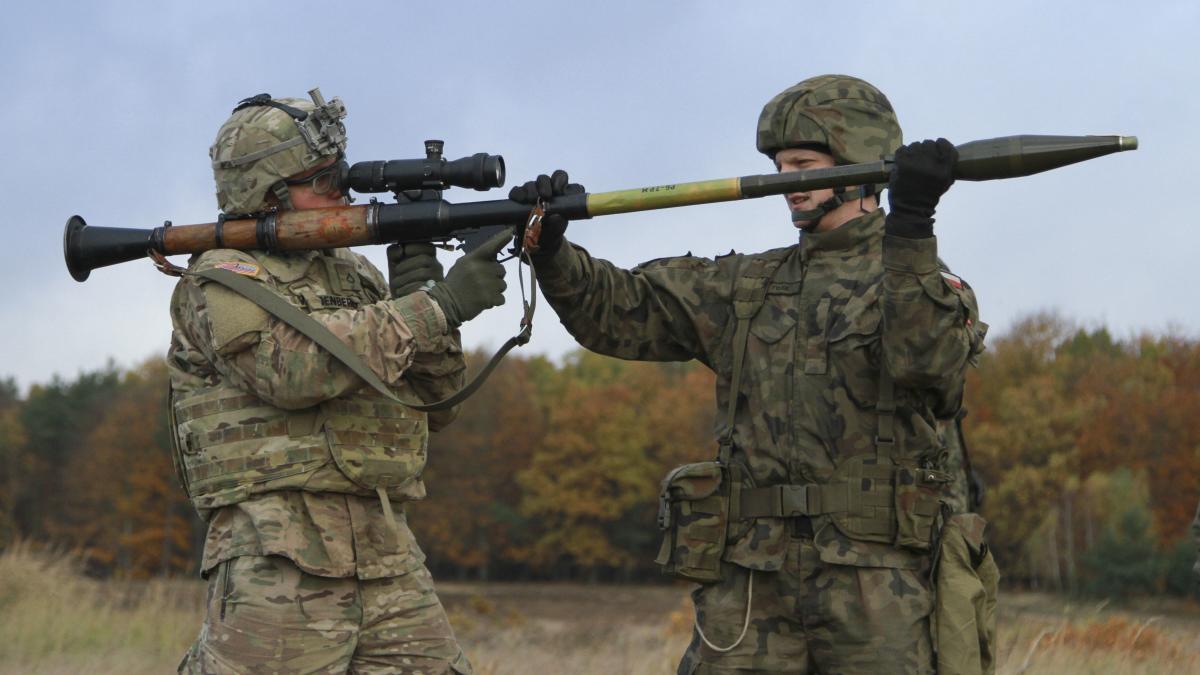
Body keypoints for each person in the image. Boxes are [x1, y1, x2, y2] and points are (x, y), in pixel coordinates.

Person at [512, 75, 990, 673]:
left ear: (861, 166)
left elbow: (926, 366)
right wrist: (553, 251)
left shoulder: (925, 286)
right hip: (749, 584)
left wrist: (912, 228)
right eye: (780, 165)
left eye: (804, 164)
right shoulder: (748, 287)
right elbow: (620, 311)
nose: (788, 182)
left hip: (878, 589)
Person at [169, 89, 505, 674]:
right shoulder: (219, 281)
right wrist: (439, 305)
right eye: (322, 180)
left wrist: (420, 296)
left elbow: (435, 403)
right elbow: (292, 371)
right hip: (278, 558)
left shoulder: (356, 273)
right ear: (267, 191)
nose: (342, 191)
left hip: (386, 551)